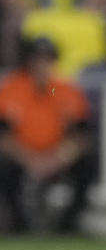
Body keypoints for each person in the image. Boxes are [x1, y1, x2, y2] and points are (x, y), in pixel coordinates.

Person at [0, 37, 95, 234]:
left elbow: (81, 136)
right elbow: (3, 136)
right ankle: (19, 224)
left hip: (57, 156)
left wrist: (58, 158)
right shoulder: (11, 89)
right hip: (22, 156)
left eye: (47, 59)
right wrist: (30, 160)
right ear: (28, 61)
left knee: (89, 163)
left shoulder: (66, 90)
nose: (42, 65)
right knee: (4, 167)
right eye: (37, 59)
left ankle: (68, 224)